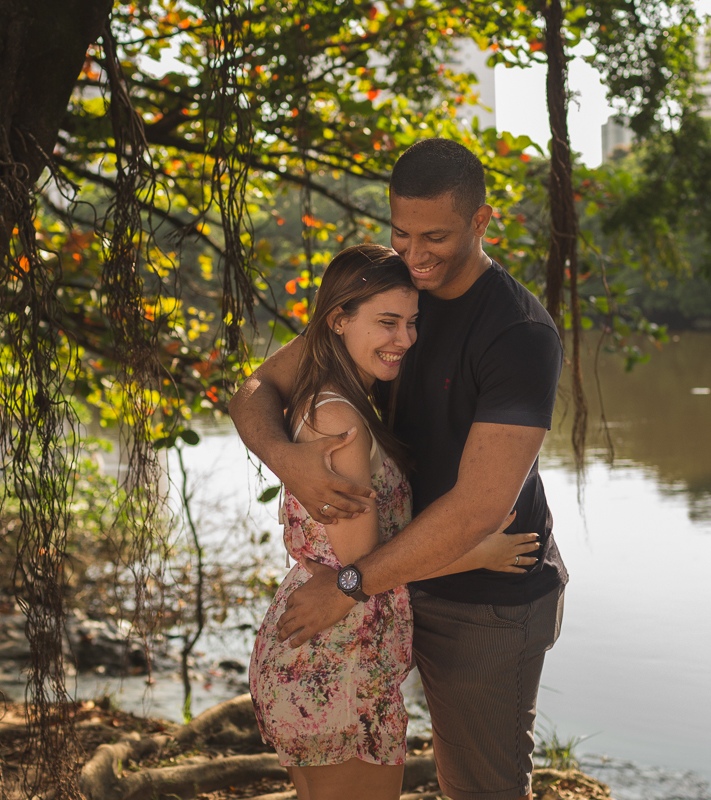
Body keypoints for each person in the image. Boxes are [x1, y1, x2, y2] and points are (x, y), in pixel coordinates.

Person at [232, 138, 568, 800]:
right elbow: (254, 391)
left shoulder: (518, 334)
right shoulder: (387, 293)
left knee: (480, 788)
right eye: (401, 233)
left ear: (480, 222)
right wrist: (288, 459)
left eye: (435, 237)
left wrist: (349, 584)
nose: (415, 256)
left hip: (485, 597)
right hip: (385, 592)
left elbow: (479, 510)